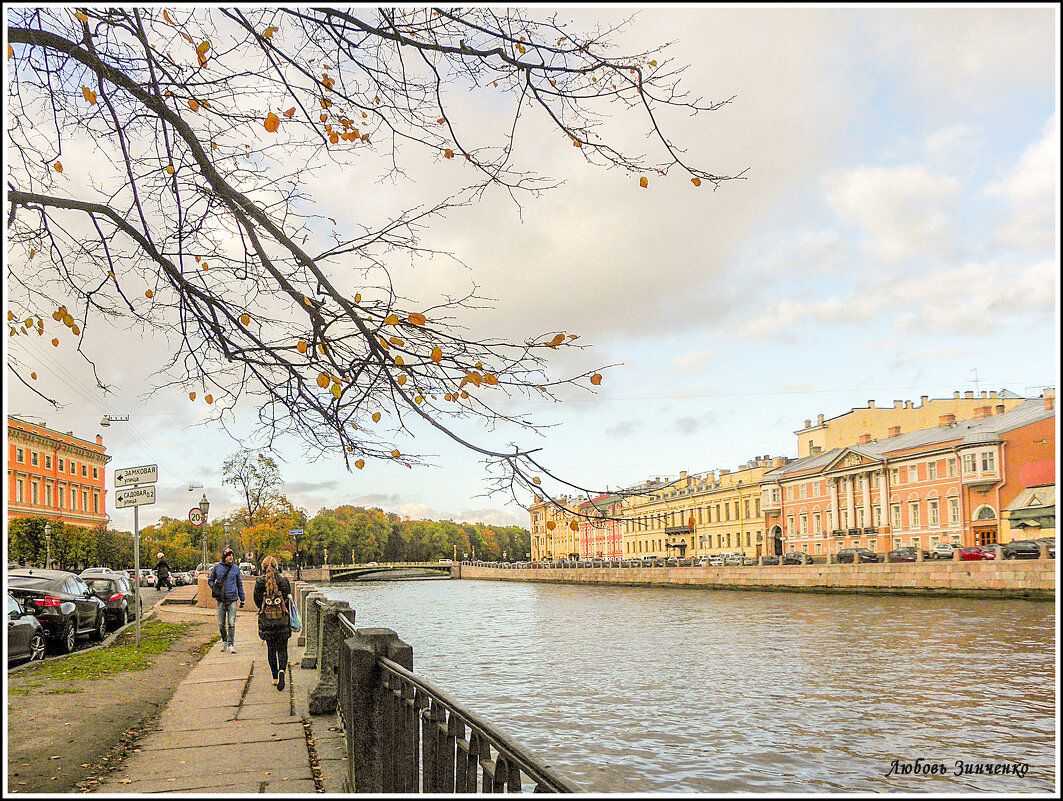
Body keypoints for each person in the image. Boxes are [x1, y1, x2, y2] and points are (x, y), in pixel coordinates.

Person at [253, 555, 293, 691]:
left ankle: (275, 677)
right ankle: (282, 671)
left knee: (271, 649)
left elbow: (257, 602)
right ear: (277, 567)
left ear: (263, 568)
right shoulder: (283, 581)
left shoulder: (259, 582)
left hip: (268, 622)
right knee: (282, 648)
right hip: (282, 621)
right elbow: (288, 599)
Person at [207, 547, 245, 653]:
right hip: (221, 599)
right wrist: (214, 587)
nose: (231, 557)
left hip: (232, 598)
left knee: (232, 623)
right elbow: (210, 580)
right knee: (221, 624)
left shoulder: (236, 569)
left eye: (232, 555)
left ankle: (231, 644)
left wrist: (242, 599)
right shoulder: (217, 568)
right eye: (229, 555)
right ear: (224, 557)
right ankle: (224, 640)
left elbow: (239, 584)